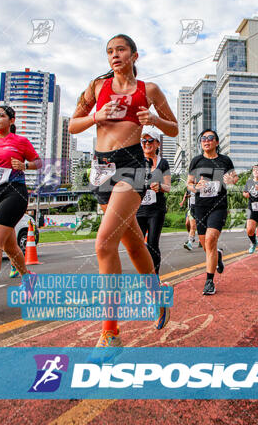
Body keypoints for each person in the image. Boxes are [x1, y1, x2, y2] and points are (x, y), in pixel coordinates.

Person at [69, 34, 178, 349]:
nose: (114, 55)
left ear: (134, 55)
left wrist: (153, 119)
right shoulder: (96, 87)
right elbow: (73, 125)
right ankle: (158, 296)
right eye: (109, 51)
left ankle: (110, 334)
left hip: (131, 165)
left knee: (104, 244)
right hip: (101, 167)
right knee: (132, 244)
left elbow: (173, 128)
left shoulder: (149, 90)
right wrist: (96, 117)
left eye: (120, 50)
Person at [0, 105, 42, 314]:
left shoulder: (20, 142)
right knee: (9, 246)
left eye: (1, 116)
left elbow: (38, 162)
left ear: (11, 120)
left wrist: (25, 166)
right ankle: (28, 278)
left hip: (14, 193)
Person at [187, 129, 238, 295]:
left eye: (210, 138)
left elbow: (234, 178)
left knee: (210, 240)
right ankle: (218, 255)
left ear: (216, 142)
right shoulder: (196, 161)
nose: (206, 140)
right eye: (203, 138)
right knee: (205, 245)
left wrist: (231, 179)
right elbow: (189, 184)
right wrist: (195, 187)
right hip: (200, 207)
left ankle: (209, 281)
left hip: (219, 206)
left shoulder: (224, 161)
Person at [136, 128, 171, 274]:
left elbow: (168, 187)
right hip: (138, 209)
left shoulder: (163, 163)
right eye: (144, 141)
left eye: (150, 140)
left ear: (157, 144)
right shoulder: (136, 161)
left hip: (156, 210)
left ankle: (154, 278)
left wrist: (160, 186)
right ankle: (144, 275)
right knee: (137, 246)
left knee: (152, 244)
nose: (147, 143)